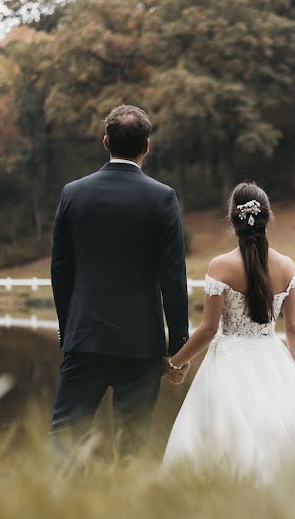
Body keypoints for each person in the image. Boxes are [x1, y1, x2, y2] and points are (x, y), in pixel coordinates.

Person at [162, 181, 295, 481]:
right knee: (278, 441)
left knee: (222, 439)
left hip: (228, 361)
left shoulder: (220, 266)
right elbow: (294, 328)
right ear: (268, 218)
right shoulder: (287, 267)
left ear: (231, 220)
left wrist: (174, 362)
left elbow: (207, 329)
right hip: (274, 360)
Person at [49, 104, 190, 456]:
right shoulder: (162, 198)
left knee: (65, 438)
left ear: (106, 141)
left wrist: (70, 330)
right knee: (134, 444)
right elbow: (173, 275)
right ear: (147, 145)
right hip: (141, 343)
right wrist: (178, 346)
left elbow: (61, 269)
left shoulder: (73, 193)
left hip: (84, 337)